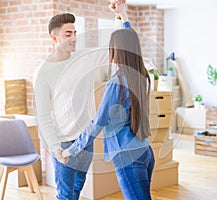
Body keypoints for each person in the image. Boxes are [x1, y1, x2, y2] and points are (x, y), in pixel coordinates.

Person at [32, 2, 132, 200]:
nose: (74, 38)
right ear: (54, 38)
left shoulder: (84, 58)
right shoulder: (43, 73)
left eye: (75, 33)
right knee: (66, 194)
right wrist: (55, 148)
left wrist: (120, 16)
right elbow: (42, 115)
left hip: (86, 138)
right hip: (63, 142)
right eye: (68, 34)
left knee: (79, 186)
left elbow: (114, 48)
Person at [60, 26, 155, 200]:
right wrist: (123, 16)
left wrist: (71, 150)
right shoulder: (141, 76)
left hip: (127, 157)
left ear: (116, 50)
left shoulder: (116, 83)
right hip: (145, 151)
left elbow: (98, 122)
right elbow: (130, 39)